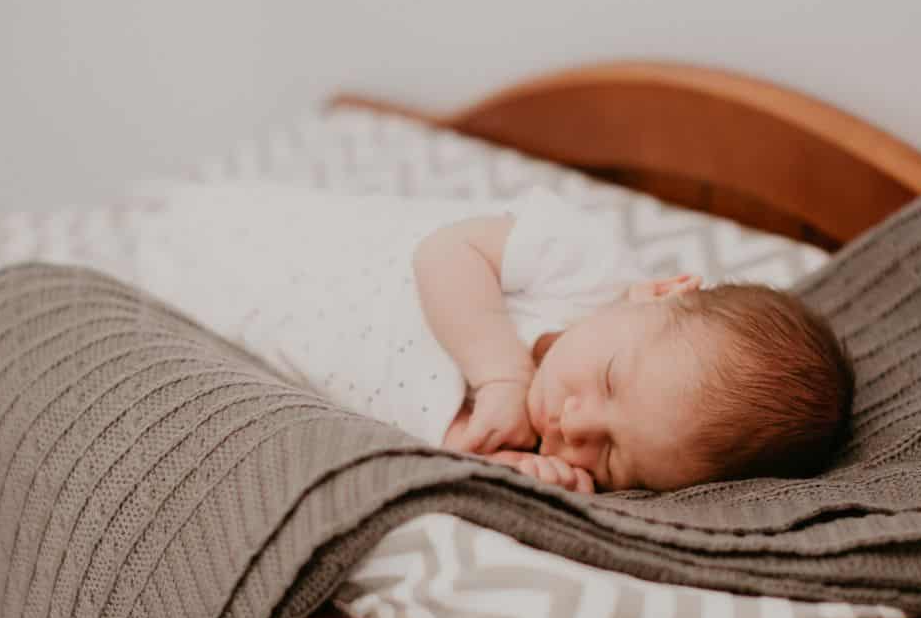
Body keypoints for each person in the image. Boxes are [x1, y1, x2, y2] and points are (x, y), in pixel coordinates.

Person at [134, 180, 852, 494]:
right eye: (608, 382)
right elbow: (444, 253)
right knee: (195, 242)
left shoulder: (543, 450)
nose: (574, 427)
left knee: (176, 303)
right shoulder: (584, 264)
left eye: (615, 460)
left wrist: (504, 471)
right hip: (312, 257)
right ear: (662, 292)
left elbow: (427, 443)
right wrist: (500, 376)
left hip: (266, 337)